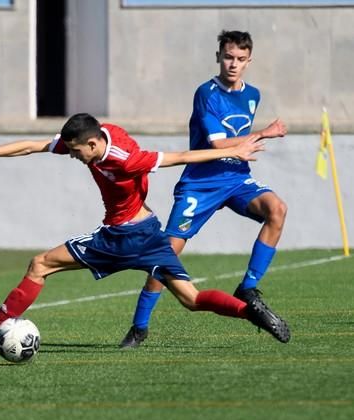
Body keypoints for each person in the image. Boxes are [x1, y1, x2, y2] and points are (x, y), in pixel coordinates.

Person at [0, 113, 290, 353]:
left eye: (76, 152)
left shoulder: (126, 159)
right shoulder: (97, 134)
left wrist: (234, 150)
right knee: (191, 298)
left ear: (94, 143)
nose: (72, 156)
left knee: (40, 265)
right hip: (151, 234)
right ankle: (252, 313)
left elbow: (180, 156)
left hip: (118, 238)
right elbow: (33, 146)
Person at [121, 30, 289, 348]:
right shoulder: (206, 93)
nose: (233, 64)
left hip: (237, 178)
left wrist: (256, 138)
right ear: (218, 57)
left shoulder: (253, 95)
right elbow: (218, 143)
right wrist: (264, 134)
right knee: (165, 254)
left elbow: (236, 145)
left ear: (249, 61)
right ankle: (140, 326)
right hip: (199, 184)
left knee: (277, 209)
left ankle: (248, 287)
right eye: (228, 57)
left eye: (240, 59)